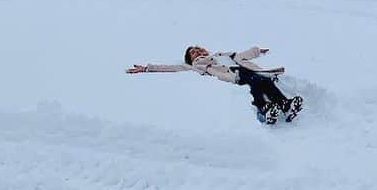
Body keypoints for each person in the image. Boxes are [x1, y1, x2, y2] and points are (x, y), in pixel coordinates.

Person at [126, 45, 302, 124]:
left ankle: (285, 105)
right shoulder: (196, 65)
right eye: (194, 53)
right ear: (191, 59)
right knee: (256, 81)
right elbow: (172, 67)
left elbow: (241, 56)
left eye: (199, 49)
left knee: (264, 80)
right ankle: (265, 109)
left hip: (246, 70)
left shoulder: (221, 54)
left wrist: (257, 51)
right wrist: (148, 68)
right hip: (232, 74)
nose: (198, 52)